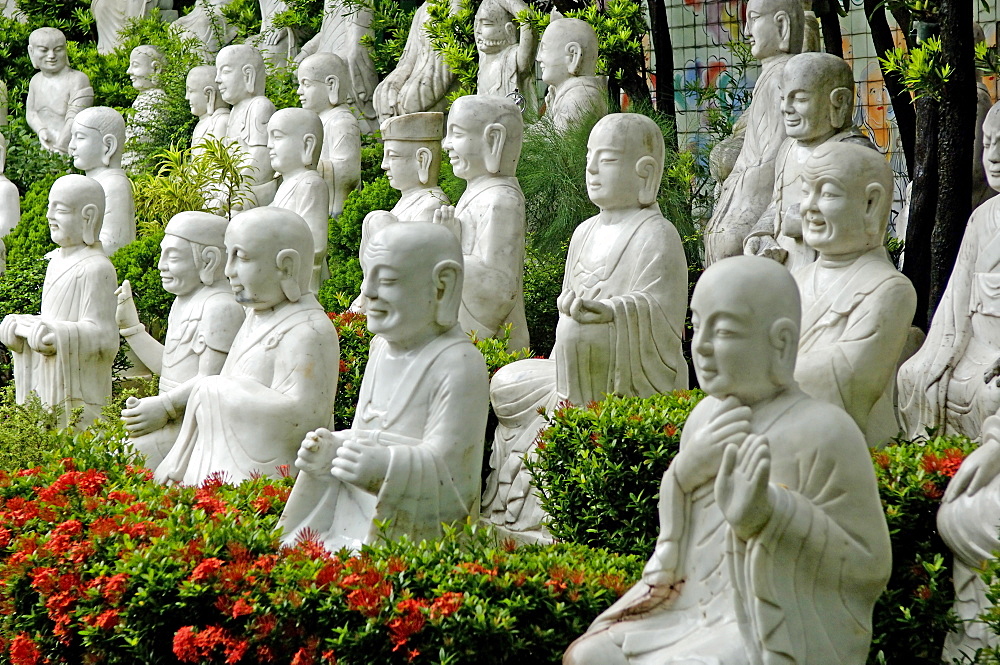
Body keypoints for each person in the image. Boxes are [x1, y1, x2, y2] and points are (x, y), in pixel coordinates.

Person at [564, 255, 891, 665]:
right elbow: (679, 545)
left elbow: (869, 566)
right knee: (589, 655)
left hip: (767, 624)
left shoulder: (827, 431)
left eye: (724, 331)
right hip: (689, 607)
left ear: (782, 343)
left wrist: (773, 515)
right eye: (697, 325)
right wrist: (685, 474)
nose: (700, 346)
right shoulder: (704, 417)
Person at [483, 113, 689, 542]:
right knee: (505, 383)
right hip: (571, 366)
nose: (592, 168)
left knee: (581, 333)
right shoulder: (584, 232)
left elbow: (663, 315)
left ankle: (562, 469)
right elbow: (568, 308)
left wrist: (610, 314)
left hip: (631, 370)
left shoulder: (657, 235)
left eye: (607, 159)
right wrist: (572, 309)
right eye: (590, 158)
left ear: (644, 173)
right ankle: (517, 495)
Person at [278, 222, 488, 551]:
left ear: (442, 287)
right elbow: (366, 434)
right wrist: (333, 454)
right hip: (357, 519)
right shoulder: (380, 348)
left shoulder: (459, 364)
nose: (368, 292)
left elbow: (454, 477)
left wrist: (384, 468)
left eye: (387, 280)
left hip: (414, 535)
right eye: (367, 275)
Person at [154, 207, 339, 486]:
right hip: (223, 456)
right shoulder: (256, 316)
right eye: (227, 256)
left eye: (240, 257)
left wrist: (217, 391)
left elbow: (304, 420)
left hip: (266, 472)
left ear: (286, 267)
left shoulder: (309, 331)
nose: (228, 271)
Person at [791, 142, 916, 444]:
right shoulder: (796, 280)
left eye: (828, 193)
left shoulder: (889, 290)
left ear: (871, 204)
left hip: (847, 447)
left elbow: (849, 379)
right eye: (806, 191)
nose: (810, 206)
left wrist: (759, 373)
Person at [898, 104, 1000, 440]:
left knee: (993, 395)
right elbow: (957, 299)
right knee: (913, 376)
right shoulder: (982, 218)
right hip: (975, 347)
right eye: (987, 144)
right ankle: (931, 474)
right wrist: (937, 353)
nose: (994, 156)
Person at [116, 212, 245, 470]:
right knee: (113, 452)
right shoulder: (184, 301)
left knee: (124, 458)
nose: (161, 265)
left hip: (198, 428)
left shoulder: (221, 307)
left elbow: (211, 382)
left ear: (208, 260)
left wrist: (164, 407)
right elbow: (170, 368)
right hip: (174, 422)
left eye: (172, 256)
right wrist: (132, 328)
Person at [0, 175, 118, 429]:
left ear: (88, 217)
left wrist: (57, 335)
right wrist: (23, 326)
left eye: (60, 209)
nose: (49, 216)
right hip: (47, 380)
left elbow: (106, 339)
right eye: (49, 207)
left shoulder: (97, 268)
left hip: (77, 392)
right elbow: (52, 320)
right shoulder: (55, 262)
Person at [744, 52, 875, 271]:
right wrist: (762, 234)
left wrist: (798, 221)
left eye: (801, 99)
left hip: (837, 270)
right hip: (788, 267)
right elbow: (777, 204)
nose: (786, 108)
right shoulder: (787, 149)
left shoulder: (854, 153)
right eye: (783, 98)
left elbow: (858, 219)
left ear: (838, 101)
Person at [702, 0, 803, 265]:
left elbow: (776, 164)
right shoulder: (770, 77)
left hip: (750, 232)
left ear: (782, 25)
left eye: (754, 19)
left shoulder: (782, 77)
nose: (746, 31)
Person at [433, 95, 529, 352]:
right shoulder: (478, 193)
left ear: (493, 140)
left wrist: (449, 248)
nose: (446, 144)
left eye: (456, 134)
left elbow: (498, 291)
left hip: (493, 344)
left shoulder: (501, 200)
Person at [267, 107, 330, 291]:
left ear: (307, 145)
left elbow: (315, 243)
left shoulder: (310, 184)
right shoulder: (285, 185)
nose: (269, 145)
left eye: (277, 137)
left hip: (300, 279)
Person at [294, 0, 378, 134]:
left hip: (342, 56)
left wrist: (332, 62)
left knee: (327, 70)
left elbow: (357, 42)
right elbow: (324, 32)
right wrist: (306, 51)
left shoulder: (358, 3)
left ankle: (364, 135)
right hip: (325, 52)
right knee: (308, 70)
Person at [295, 53, 361, 218]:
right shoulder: (318, 120)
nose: (298, 91)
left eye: (306, 84)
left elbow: (347, 172)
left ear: (331, 85)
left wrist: (306, 165)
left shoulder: (342, 122)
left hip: (333, 208)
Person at [373, 0, 459, 122]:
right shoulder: (424, 9)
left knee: (411, 106)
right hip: (421, 91)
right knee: (385, 95)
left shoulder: (457, 6)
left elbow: (443, 70)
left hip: (446, 100)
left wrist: (409, 98)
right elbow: (408, 60)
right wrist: (391, 86)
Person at [67, 107, 135, 256]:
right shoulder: (96, 182)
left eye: (80, 137)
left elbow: (114, 244)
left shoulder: (114, 185)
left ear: (108, 146)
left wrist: (71, 252)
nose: (71, 146)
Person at [215, 44, 277, 207]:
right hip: (234, 186)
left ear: (248, 75)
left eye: (225, 71)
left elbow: (260, 159)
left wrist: (233, 186)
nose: (217, 79)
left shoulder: (259, 106)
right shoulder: (235, 111)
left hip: (253, 190)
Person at [26, 28, 94, 154]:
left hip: (71, 149)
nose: (51, 56)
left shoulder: (77, 79)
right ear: (31, 51)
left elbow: (75, 117)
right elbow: (31, 113)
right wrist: (41, 130)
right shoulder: (35, 81)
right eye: (44, 50)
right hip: (45, 149)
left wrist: (61, 147)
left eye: (58, 50)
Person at [537, 16, 607, 131]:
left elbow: (559, 145)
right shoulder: (558, 93)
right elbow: (541, 132)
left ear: (573, 55)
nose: (538, 58)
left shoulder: (580, 98)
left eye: (544, 49)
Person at [475, 0, 537, 116]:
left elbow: (528, 21)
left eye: (486, 24)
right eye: (477, 24)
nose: (478, 30)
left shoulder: (514, 59)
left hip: (513, 128)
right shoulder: (484, 58)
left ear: (509, 30)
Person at [124, 45, 168, 169]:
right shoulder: (145, 96)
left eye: (135, 65)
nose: (129, 71)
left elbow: (144, 139)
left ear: (156, 68)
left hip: (141, 166)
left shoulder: (157, 99)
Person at [186, 65, 231, 156]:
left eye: (190, 91)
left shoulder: (221, 122)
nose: (187, 97)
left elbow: (220, 163)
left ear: (209, 94)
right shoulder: (202, 124)